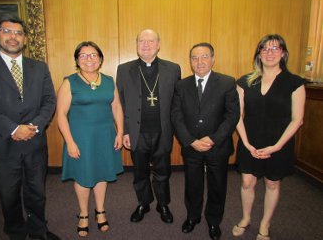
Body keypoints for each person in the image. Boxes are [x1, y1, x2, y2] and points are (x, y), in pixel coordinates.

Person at [0, 14, 59, 240]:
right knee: (8, 196)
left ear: (25, 39)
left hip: (35, 142)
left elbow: (49, 101)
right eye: (7, 31)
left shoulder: (39, 68)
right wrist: (13, 129)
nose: (13, 37)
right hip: (3, 144)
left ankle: (39, 231)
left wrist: (34, 126)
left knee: (37, 193)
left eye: (18, 33)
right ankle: (16, 233)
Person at [232, 34, 306, 240]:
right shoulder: (245, 81)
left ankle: (265, 223)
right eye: (265, 48)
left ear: (283, 53)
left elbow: (297, 119)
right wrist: (245, 143)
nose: (270, 52)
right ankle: (246, 218)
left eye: (275, 48)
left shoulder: (295, 82)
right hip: (250, 141)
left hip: (279, 143)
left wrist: (276, 147)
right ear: (259, 54)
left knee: (272, 183)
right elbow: (236, 115)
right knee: (247, 182)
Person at [171, 43, 240, 239]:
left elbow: (232, 115)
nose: (199, 62)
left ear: (213, 58)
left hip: (217, 146)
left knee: (218, 186)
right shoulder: (181, 85)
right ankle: (192, 217)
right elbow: (176, 116)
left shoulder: (227, 82)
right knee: (193, 185)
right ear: (190, 61)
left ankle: (214, 221)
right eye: (195, 58)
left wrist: (214, 138)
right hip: (191, 147)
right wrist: (190, 140)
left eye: (204, 56)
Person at [57, 41, 124, 237]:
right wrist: (69, 141)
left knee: (102, 173)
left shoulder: (109, 81)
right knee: (83, 176)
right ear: (77, 60)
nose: (89, 59)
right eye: (84, 55)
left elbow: (117, 107)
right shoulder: (69, 82)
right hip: (80, 138)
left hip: (105, 136)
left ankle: (100, 210)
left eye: (93, 55)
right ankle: (84, 214)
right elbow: (61, 114)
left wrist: (120, 132)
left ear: (101, 59)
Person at [116, 29, 181, 224]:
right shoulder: (124, 69)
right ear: (136, 45)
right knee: (140, 171)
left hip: (162, 131)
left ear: (158, 44)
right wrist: (125, 131)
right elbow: (121, 103)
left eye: (150, 41)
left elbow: (177, 102)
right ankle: (143, 203)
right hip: (137, 132)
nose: (146, 44)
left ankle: (163, 204)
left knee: (163, 171)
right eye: (141, 41)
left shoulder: (173, 68)